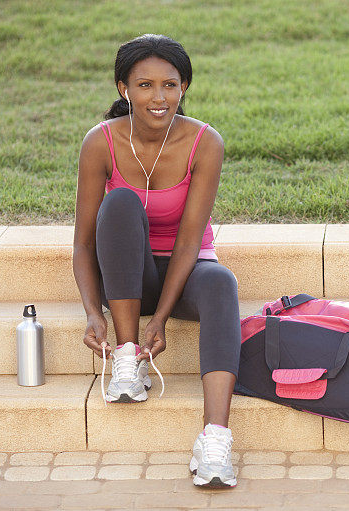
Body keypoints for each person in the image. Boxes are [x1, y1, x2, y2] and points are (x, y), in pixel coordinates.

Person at [72, 33, 240, 488]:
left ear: (184, 86)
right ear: (123, 89)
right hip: (128, 275)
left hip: (186, 270)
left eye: (169, 84)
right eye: (144, 85)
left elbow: (188, 244)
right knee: (122, 203)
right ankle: (128, 357)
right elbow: (84, 245)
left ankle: (215, 440)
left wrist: (162, 318)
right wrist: (93, 311)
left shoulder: (205, 142)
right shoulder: (100, 143)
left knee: (222, 283)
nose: (158, 97)